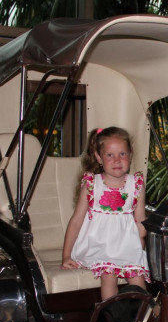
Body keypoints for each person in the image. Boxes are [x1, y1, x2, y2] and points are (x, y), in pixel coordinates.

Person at [61, 126, 149, 299]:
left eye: (122, 154)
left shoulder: (136, 184)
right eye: (110, 155)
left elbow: (140, 222)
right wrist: (66, 255)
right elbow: (76, 221)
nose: (117, 160)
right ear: (98, 157)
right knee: (109, 275)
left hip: (126, 245)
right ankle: (110, 311)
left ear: (130, 155)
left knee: (137, 276)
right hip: (99, 246)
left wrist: (139, 250)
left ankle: (146, 311)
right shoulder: (92, 184)